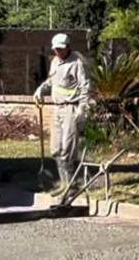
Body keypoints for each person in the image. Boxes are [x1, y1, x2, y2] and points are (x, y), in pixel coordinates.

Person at [33, 33, 91, 200]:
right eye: (56, 49)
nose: (58, 52)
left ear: (68, 47)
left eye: (61, 49)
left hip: (71, 109)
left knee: (67, 149)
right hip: (57, 110)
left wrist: (82, 109)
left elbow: (86, 88)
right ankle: (63, 183)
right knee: (56, 149)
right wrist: (41, 89)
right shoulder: (55, 62)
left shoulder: (78, 64)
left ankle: (71, 185)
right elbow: (53, 82)